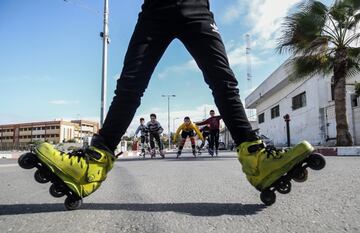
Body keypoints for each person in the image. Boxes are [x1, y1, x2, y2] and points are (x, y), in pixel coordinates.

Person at [34, 0, 317, 200]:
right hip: (154, 11)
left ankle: (257, 159)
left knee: (224, 81)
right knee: (130, 85)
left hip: (198, 10)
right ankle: (91, 165)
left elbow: (193, 128)